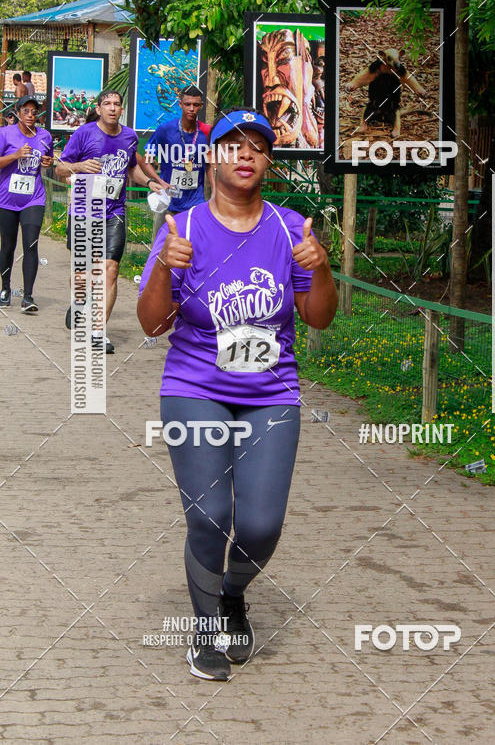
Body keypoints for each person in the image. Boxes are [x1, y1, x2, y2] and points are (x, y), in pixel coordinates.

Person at [137, 108, 338, 681]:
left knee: (260, 526)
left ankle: (232, 594)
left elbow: (319, 318)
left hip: (270, 393)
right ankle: (203, 631)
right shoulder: (183, 229)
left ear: (268, 161)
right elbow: (153, 325)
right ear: (212, 157)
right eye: (233, 144)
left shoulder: (290, 227)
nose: (245, 153)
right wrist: (162, 271)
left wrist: (321, 269)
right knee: (211, 515)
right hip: (194, 387)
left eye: (258, 146)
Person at [55, 90, 166, 353]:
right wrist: (80, 167)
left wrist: (149, 182)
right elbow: (60, 168)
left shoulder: (129, 136)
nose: (113, 109)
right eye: (108, 104)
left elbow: (131, 168)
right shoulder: (84, 134)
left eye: (117, 104)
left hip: (114, 211)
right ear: (99, 108)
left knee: (110, 268)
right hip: (83, 210)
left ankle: (97, 332)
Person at [0, 96, 53, 311]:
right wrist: (14, 155)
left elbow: (47, 161)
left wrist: (48, 163)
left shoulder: (44, 136)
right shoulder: (5, 133)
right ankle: (5, 289)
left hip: (34, 198)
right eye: (26, 111)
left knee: (31, 244)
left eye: (34, 111)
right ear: (17, 113)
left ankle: (28, 296)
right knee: (8, 245)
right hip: (7, 199)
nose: (31, 115)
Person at [144, 85, 211, 239]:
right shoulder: (165, 130)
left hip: (195, 204)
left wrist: (214, 195)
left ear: (201, 106)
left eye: (196, 105)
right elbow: (146, 160)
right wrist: (160, 181)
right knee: (161, 250)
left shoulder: (206, 133)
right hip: (168, 201)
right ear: (180, 104)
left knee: (193, 250)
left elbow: (209, 166)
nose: (191, 109)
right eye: (187, 104)